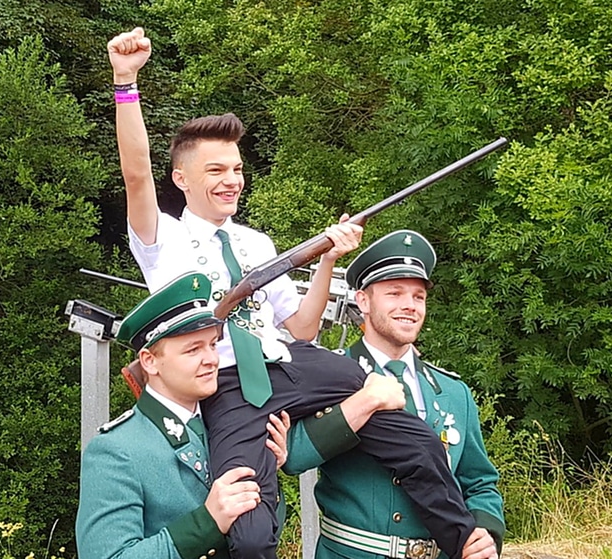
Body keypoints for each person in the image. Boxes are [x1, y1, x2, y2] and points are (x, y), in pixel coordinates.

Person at [108, 27, 480, 559]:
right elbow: (135, 174)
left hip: (292, 365)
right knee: (250, 533)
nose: (232, 180)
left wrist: (327, 258)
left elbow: (302, 329)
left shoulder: (256, 242)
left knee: (417, 439)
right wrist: (126, 82)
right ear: (181, 178)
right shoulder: (160, 237)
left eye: (238, 169)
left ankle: (464, 542)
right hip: (231, 384)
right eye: (216, 170)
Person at [285, 229, 505, 559]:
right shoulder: (329, 374)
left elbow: (480, 481)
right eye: (394, 293)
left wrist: (485, 532)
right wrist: (363, 404)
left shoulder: (453, 392)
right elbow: (293, 456)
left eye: (418, 297)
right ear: (363, 301)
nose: (409, 306)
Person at [76, 272, 292, 559]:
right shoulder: (116, 451)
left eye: (212, 345)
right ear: (150, 361)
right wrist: (207, 523)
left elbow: (260, 539)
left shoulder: (232, 424)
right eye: (193, 350)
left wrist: (266, 473)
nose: (212, 360)